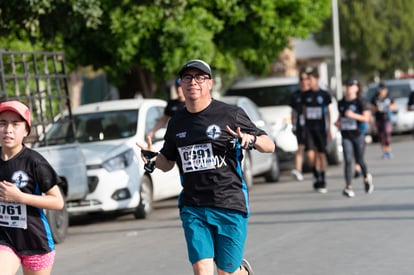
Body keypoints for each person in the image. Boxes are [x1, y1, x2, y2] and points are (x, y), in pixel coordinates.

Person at [137, 59, 275, 275]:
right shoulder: (177, 122)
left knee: (226, 272)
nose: (193, 82)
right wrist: (154, 159)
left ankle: (241, 271)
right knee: (202, 270)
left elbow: (270, 145)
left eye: (199, 77)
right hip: (194, 206)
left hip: (229, 202)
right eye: (187, 77)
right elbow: (168, 162)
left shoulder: (230, 114)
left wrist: (250, 139)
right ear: (181, 85)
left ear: (209, 83)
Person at [0, 100, 64, 275]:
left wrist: (20, 197)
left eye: (15, 124)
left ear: (26, 130)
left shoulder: (35, 162)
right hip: (5, 240)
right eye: (3, 123)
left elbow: (58, 202)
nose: (8, 129)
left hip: (36, 241)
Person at [335, 78, 374, 198]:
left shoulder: (361, 102)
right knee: (347, 159)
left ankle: (367, 178)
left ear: (357, 88)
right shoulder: (341, 102)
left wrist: (353, 115)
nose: (349, 88)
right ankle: (348, 187)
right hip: (346, 135)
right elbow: (340, 118)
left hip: (358, 135)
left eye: (352, 85)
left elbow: (366, 118)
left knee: (359, 160)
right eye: (347, 85)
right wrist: (337, 123)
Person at [301, 67, 332, 193]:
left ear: (317, 79)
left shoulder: (324, 95)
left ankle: (322, 179)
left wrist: (329, 128)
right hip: (309, 128)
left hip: (321, 129)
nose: (309, 81)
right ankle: (316, 173)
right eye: (308, 79)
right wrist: (302, 127)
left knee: (321, 154)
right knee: (310, 156)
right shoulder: (305, 95)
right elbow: (303, 112)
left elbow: (328, 112)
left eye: (311, 79)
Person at [289, 67, 310, 181]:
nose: (303, 81)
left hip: (313, 126)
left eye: (306, 78)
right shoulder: (295, 95)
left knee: (313, 150)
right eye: (301, 79)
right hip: (300, 125)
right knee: (300, 147)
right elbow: (292, 111)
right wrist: (293, 124)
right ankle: (298, 170)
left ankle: (318, 171)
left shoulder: (312, 93)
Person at [370, 83, 397, 159]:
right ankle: (385, 152)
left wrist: (388, 107)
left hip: (387, 118)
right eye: (380, 89)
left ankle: (389, 150)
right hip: (379, 119)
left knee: (387, 134)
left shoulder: (389, 97)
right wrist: (376, 109)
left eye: (383, 89)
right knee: (381, 136)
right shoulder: (375, 98)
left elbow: (394, 105)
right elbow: (371, 108)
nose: (381, 91)